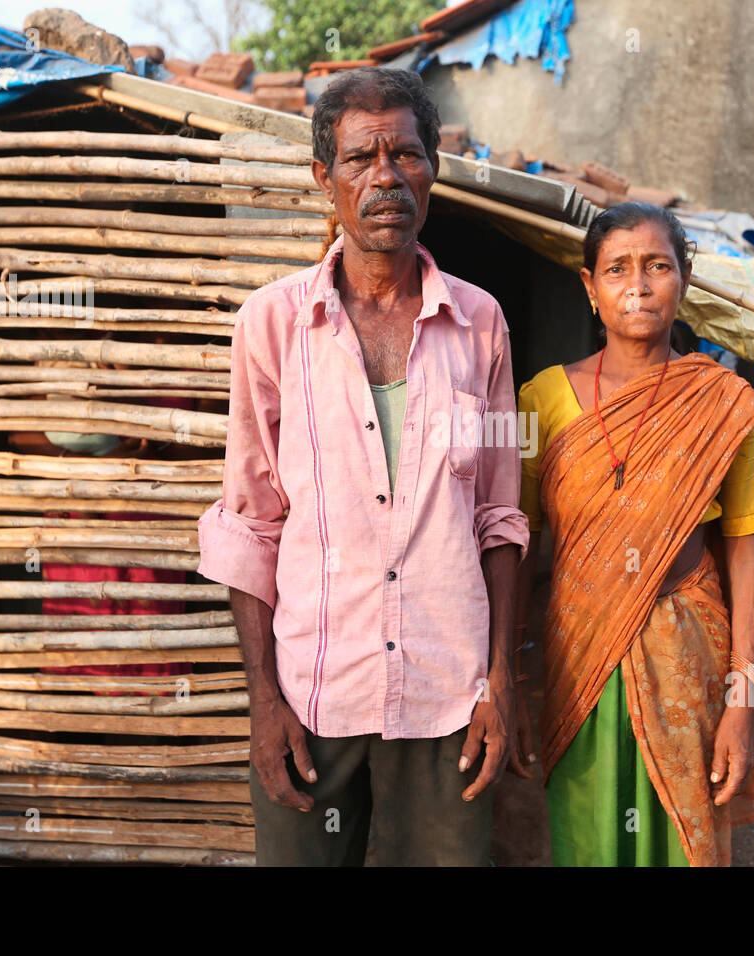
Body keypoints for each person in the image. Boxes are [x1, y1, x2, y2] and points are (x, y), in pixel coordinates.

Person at [196, 67, 530, 866]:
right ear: (325, 178)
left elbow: (500, 515)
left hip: (448, 685)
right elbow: (250, 522)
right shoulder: (272, 324)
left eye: (405, 154)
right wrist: (264, 703)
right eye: (359, 158)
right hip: (315, 684)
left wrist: (499, 681)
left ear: (433, 169)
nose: (386, 176)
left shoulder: (481, 322)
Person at [515, 202, 754, 866]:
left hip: (689, 655)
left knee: (681, 841)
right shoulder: (541, 400)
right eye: (617, 269)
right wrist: (509, 680)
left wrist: (741, 700)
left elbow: (746, 552)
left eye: (657, 266)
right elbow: (516, 550)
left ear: (684, 279)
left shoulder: (720, 404)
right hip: (578, 657)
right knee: (591, 838)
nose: (637, 285)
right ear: (589, 286)